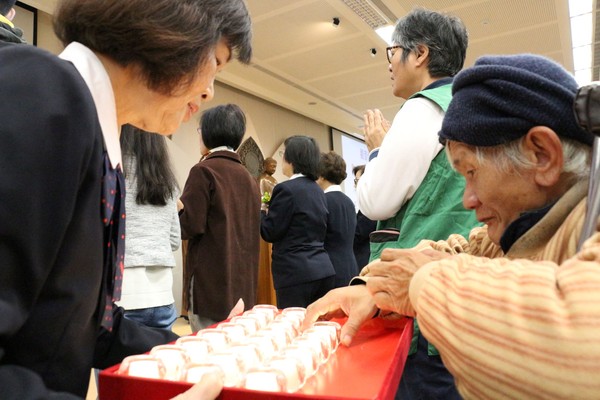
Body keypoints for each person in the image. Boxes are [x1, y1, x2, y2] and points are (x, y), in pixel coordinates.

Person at [303, 54, 594, 400]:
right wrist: (376, 287)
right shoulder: (523, 228)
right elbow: (456, 250)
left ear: (542, 155)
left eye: (471, 173)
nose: (468, 200)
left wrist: (418, 284)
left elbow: (582, 340)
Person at [0, 0, 252, 398]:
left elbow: (90, 326)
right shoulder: (40, 91)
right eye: (216, 64)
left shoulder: (101, 143)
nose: (209, 92)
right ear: (173, 28)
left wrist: (200, 349)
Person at [355, 8, 478, 399]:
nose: (389, 62)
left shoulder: (423, 107)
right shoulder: (467, 104)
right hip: (460, 298)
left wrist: (376, 151)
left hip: (419, 308)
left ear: (419, 54)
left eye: (392, 51)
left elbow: (375, 201)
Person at [179, 104, 261, 332]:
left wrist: (177, 209)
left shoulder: (203, 171)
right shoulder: (249, 177)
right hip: (243, 287)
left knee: (207, 352)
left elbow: (189, 226)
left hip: (211, 287)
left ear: (208, 133)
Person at [116, 125, 181, 330]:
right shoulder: (167, 182)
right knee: (159, 362)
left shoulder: (113, 172)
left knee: (119, 363)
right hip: (163, 296)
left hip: (123, 296)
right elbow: (173, 240)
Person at [261, 135, 336, 308]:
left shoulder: (286, 189)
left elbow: (270, 231)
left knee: (293, 328)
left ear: (292, 159)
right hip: (322, 269)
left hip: (295, 273)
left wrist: (262, 213)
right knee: (316, 328)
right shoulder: (318, 191)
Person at [317, 151, 359, 287]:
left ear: (321, 175)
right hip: (351, 267)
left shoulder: (322, 201)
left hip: (329, 270)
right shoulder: (348, 201)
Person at [352, 165, 376, 269]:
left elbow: (358, 234)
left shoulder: (370, 206)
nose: (355, 186)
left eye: (357, 181)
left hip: (365, 260)